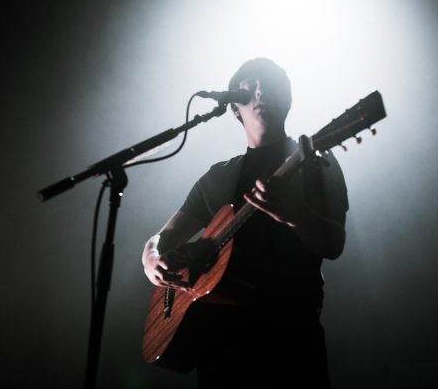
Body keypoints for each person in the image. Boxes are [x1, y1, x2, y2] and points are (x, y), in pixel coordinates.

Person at [142, 58, 349, 388]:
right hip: (218, 352)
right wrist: (152, 260)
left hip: (292, 345)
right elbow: (160, 240)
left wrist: (296, 214)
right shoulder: (218, 177)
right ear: (235, 108)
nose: (261, 91)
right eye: (250, 87)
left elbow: (334, 243)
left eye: (270, 85)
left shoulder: (316, 162)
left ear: (288, 100)